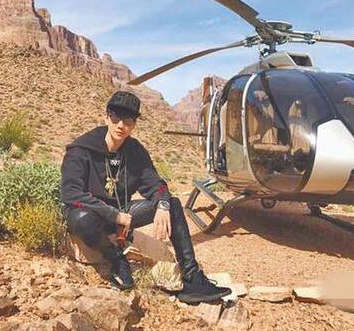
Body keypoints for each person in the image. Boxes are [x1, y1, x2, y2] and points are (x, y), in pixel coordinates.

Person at [60, 90, 231, 304]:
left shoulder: (134, 151)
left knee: (173, 203)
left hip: (122, 213)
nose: (121, 125)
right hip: (91, 213)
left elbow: (156, 185)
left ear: (134, 124)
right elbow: (71, 193)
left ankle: (192, 277)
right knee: (81, 219)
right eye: (116, 117)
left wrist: (162, 204)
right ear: (106, 117)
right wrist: (114, 215)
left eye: (128, 120)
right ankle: (116, 260)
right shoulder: (81, 149)